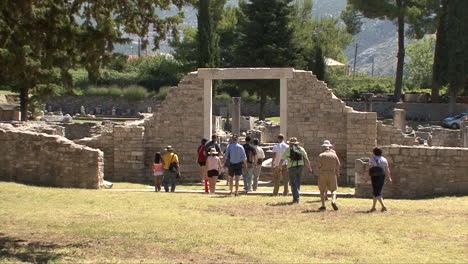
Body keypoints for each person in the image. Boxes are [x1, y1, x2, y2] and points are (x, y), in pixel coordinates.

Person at [279, 137, 312, 203]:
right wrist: (309, 168)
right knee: (298, 182)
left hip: (291, 167)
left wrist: (279, 167)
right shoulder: (301, 149)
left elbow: (282, 159)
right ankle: (297, 196)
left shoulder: (288, 150)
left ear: (290, 143)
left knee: (293, 183)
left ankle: (296, 198)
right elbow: (306, 159)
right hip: (300, 167)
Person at [317, 141, 341, 211]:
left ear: (323, 148)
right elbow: (338, 165)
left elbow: (318, 165)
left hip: (323, 174)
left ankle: (323, 205)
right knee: (333, 190)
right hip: (332, 173)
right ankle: (333, 201)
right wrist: (337, 172)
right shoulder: (334, 155)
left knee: (322, 190)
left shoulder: (321, 155)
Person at [367, 147, 392, 212]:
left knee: (377, 192)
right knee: (376, 191)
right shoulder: (384, 159)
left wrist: (367, 176)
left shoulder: (372, 159)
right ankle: (373, 207)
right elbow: (387, 169)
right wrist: (389, 177)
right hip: (382, 176)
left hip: (375, 176)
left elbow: (369, 168)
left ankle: (383, 206)